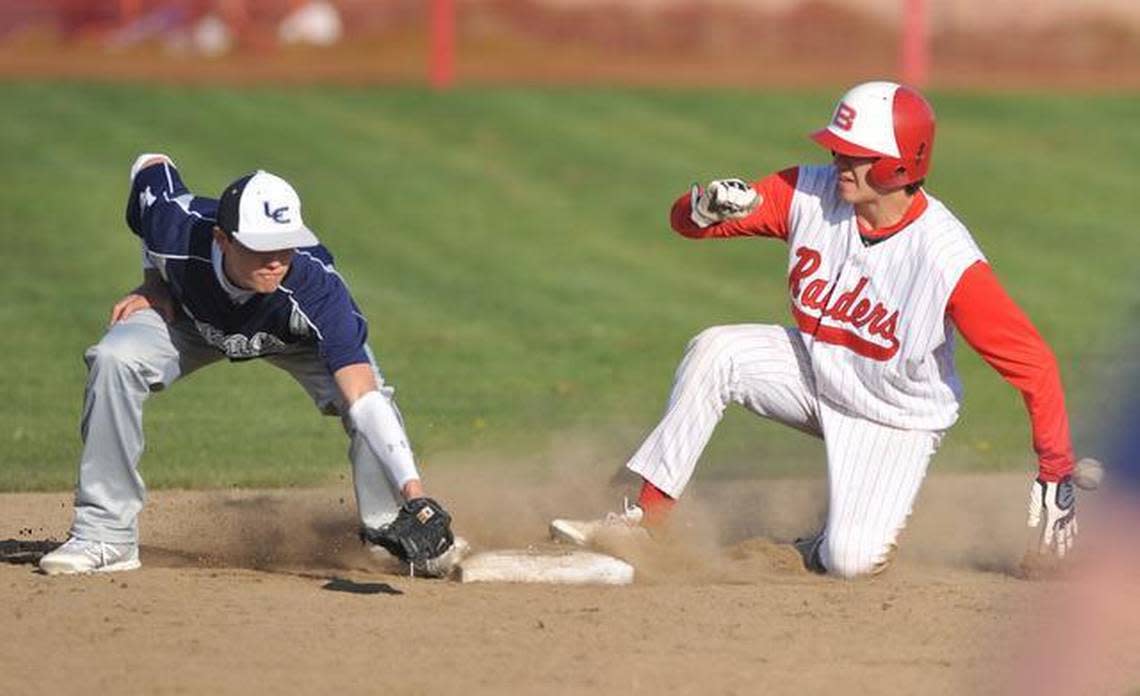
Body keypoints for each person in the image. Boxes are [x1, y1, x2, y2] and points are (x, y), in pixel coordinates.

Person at [551, 81, 1080, 577]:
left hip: (896, 417)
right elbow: (685, 226)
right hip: (815, 372)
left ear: (898, 165)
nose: (838, 161)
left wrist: (1056, 471)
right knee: (717, 350)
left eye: (854, 153)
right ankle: (648, 521)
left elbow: (1034, 363)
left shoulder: (947, 260)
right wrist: (701, 208)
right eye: (837, 148)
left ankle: (819, 545)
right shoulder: (805, 191)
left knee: (850, 561)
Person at [39, 154, 467, 577]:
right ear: (223, 239)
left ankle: (390, 533)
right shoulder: (177, 229)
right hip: (190, 320)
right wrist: (155, 283)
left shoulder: (316, 288)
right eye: (261, 248)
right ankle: (106, 536)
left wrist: (416, 495)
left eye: (285, 246)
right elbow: (151, 165)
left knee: (374, 404)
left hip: (294, 338)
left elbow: (362, 396)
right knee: (115, 359)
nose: (276, 260)